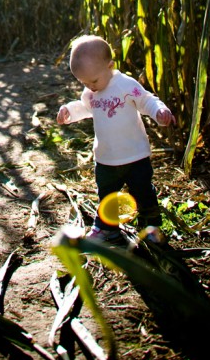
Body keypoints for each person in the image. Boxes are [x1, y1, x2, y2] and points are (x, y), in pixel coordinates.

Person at [57, 35, 175, 242]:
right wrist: (69, 111)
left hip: (135, 155)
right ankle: (107, 228)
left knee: (144, 192)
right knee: (107, 195)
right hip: (106, 158)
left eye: (93, 81)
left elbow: (146, 100)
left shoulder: (125, 85)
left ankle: (151, 227)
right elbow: (86, 107)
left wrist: (159, 112)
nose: (90, 87)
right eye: (83, 82)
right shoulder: (91, 91)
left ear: (110, 66)